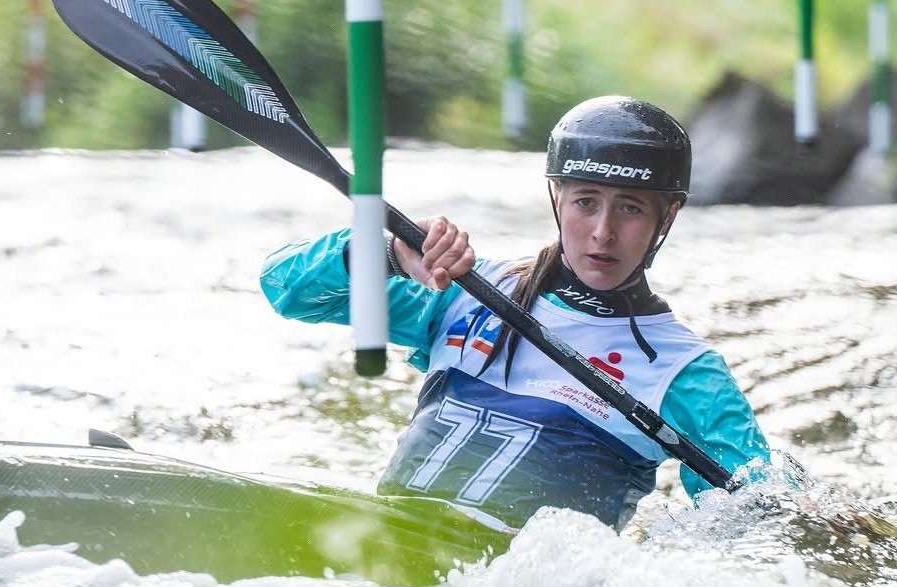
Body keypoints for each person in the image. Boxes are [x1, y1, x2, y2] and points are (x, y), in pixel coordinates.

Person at [260, 96, 768, 534]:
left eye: (630, 208)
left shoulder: (684, 372)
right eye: (586, 202)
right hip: (391, 545)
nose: (603, 232)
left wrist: (795, 508)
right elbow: (286, 288)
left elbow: (758, 510)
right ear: (556, 197)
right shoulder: (462, 290)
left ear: (668, 216)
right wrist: (391, 252)